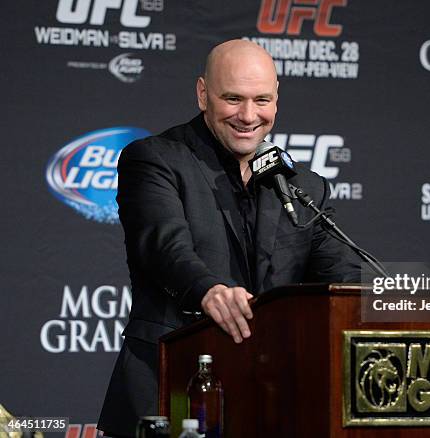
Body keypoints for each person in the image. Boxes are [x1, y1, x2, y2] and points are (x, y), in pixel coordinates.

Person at [98, 39, 363, 437]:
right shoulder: (154, 158)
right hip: (170, 383)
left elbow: (343, 277)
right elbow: (163, 246)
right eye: (233, 99)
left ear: (276, 100)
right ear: (203, 93)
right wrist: (209, 290)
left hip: (269, 397)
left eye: (262, 100)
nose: (248, 115)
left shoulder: (303, 186)